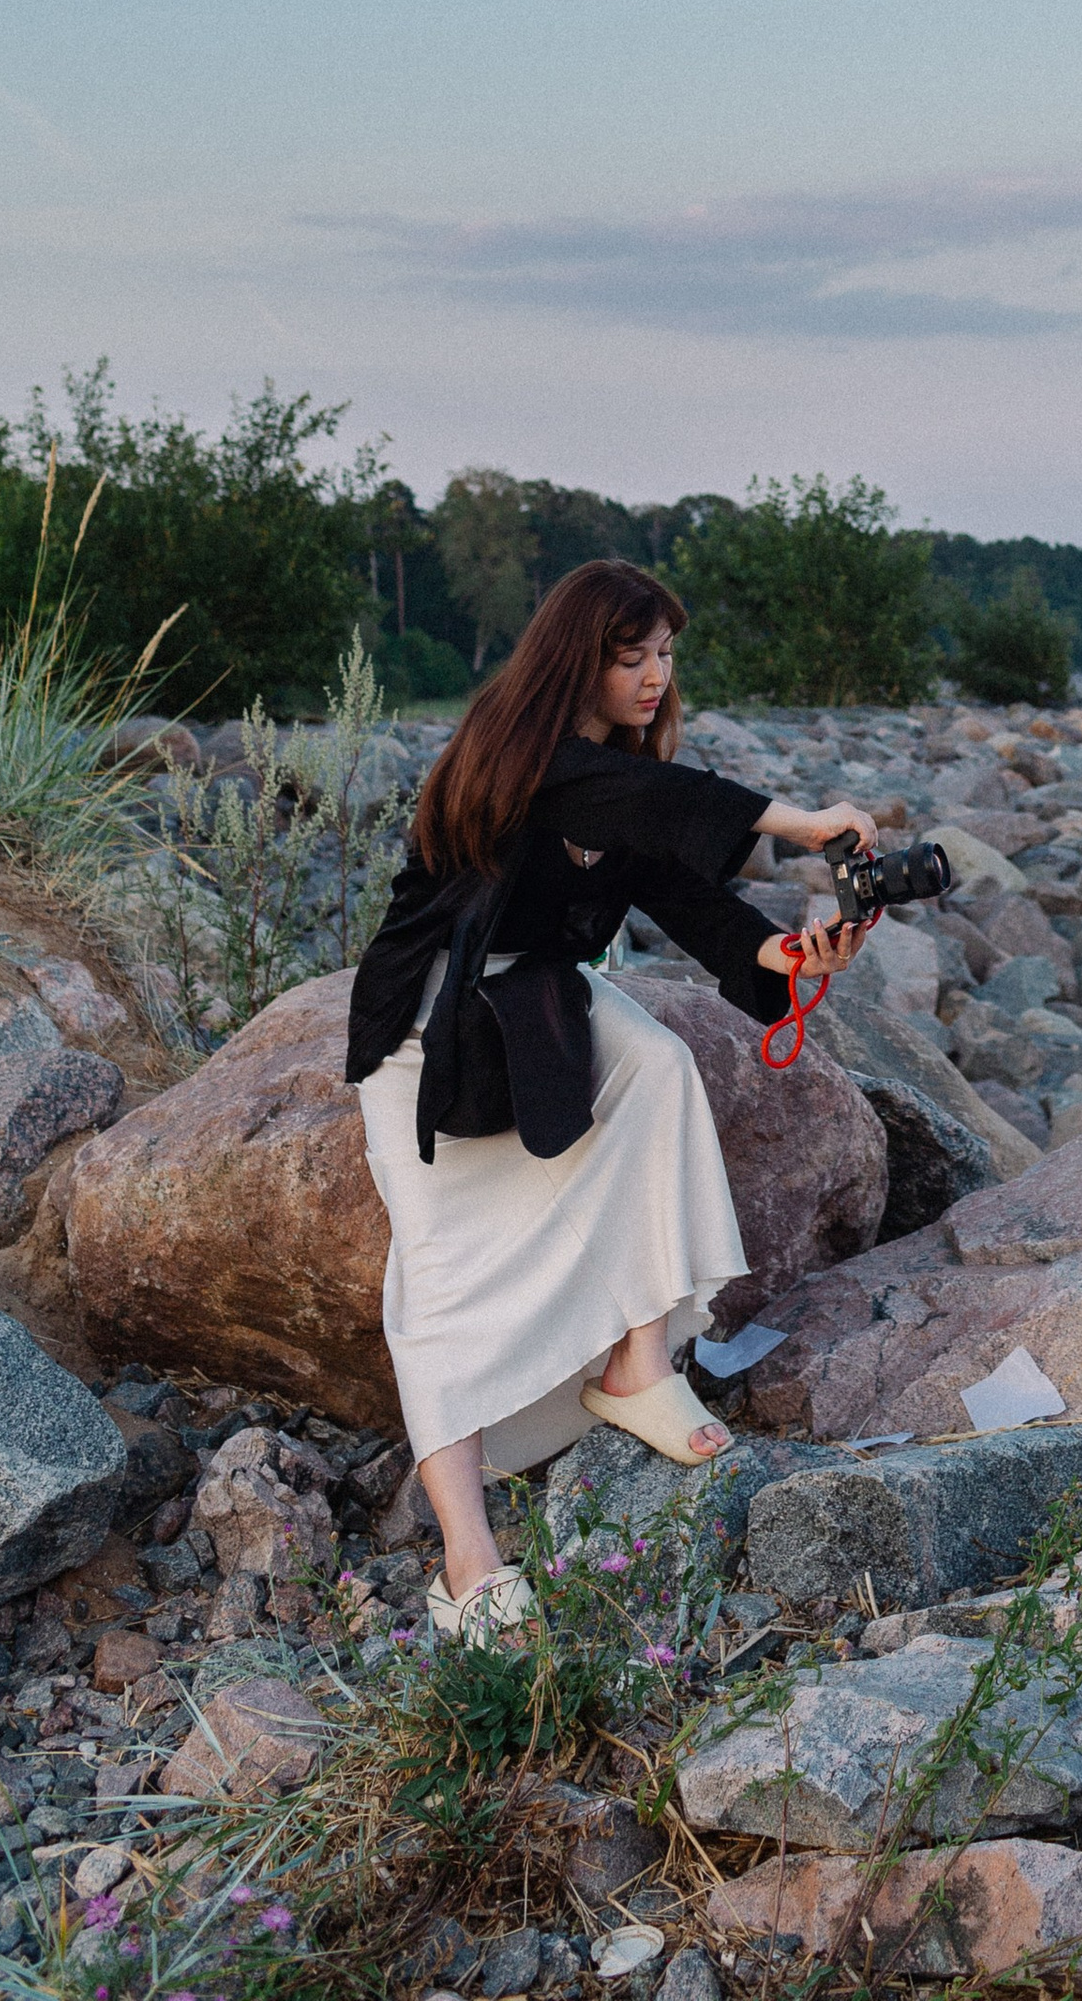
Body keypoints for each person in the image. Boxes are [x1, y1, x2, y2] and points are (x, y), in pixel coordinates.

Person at [345, 558, 875, 1640]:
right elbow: (652, 803)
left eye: (665, 654)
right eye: (629, 656)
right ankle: (466, 1558)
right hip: (432, 1023)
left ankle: (637, 1363)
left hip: (538, 992)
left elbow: (691, 897)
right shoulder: (514, 751)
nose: (653, 675)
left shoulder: (624, 775)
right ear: (572, 659)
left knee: (661, 1067)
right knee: (440, 1279)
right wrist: (801, 823)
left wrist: (798, 954)